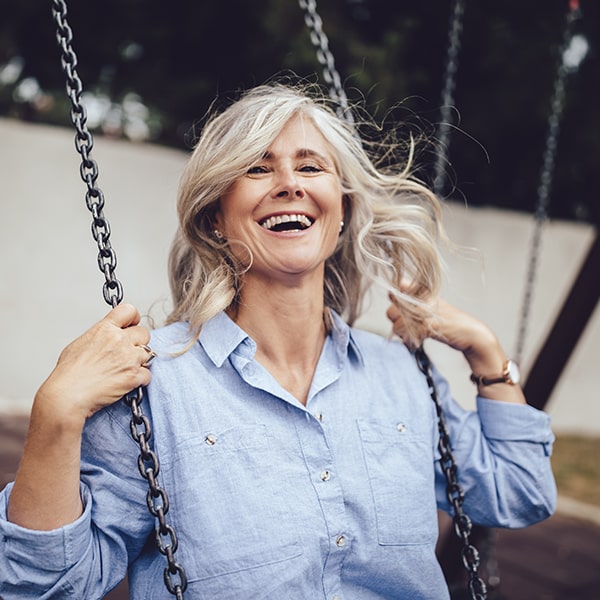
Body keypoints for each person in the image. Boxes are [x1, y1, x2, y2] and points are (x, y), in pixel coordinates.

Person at [0, 83, 555, 599]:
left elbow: (518, 492)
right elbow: (48, 586)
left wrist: (486, 353)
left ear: (342, 211)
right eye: (258, 168)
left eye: (310, 166)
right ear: (216, 216)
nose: (290, 183)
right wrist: (55, 414)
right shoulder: (153, 384)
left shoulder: (400, 374)